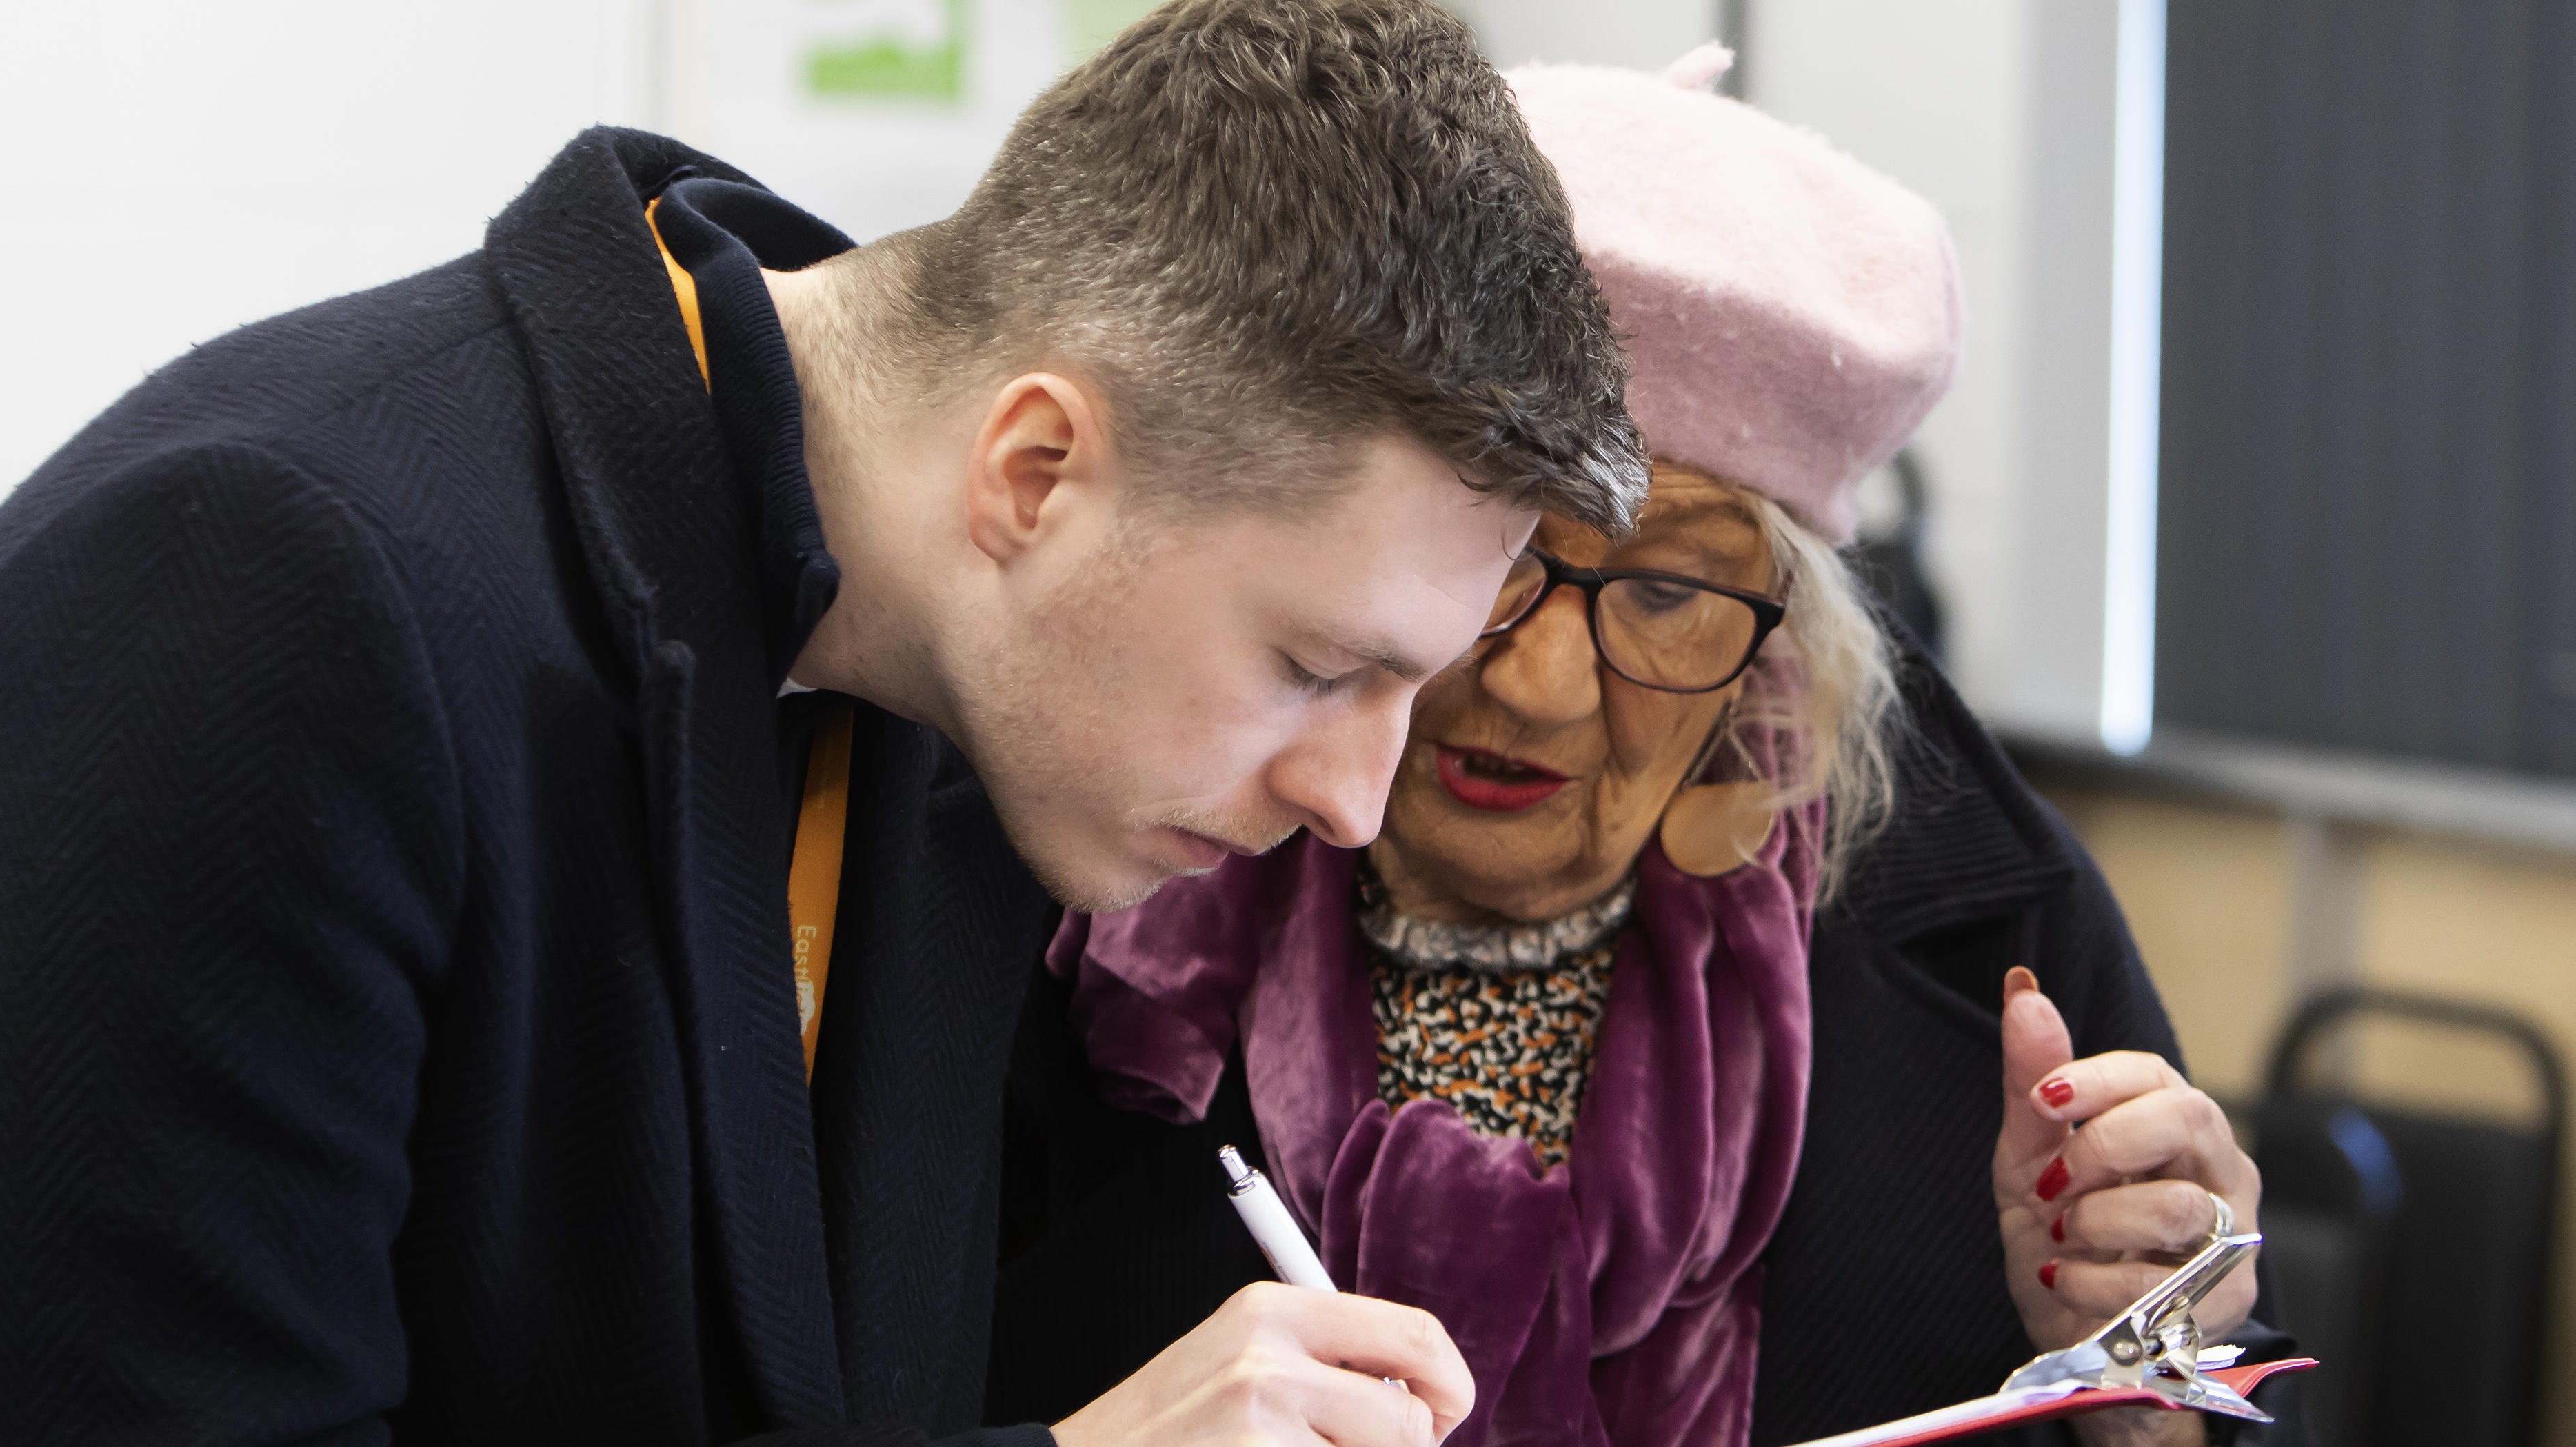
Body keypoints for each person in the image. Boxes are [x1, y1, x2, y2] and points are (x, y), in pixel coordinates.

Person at [0, 4, 1651, 1444]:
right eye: (1318, 669)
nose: (1354, 799)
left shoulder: (955, 688)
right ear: (1033, 472)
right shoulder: (260, 600)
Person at [986, 51, 2302, 1447]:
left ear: (1782, 638)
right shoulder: (1070, 865)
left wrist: (2139, 1389)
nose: (1544, 684)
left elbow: (2197, 1388)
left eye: (1669, 590)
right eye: (1490, 560)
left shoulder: (1991, 938)